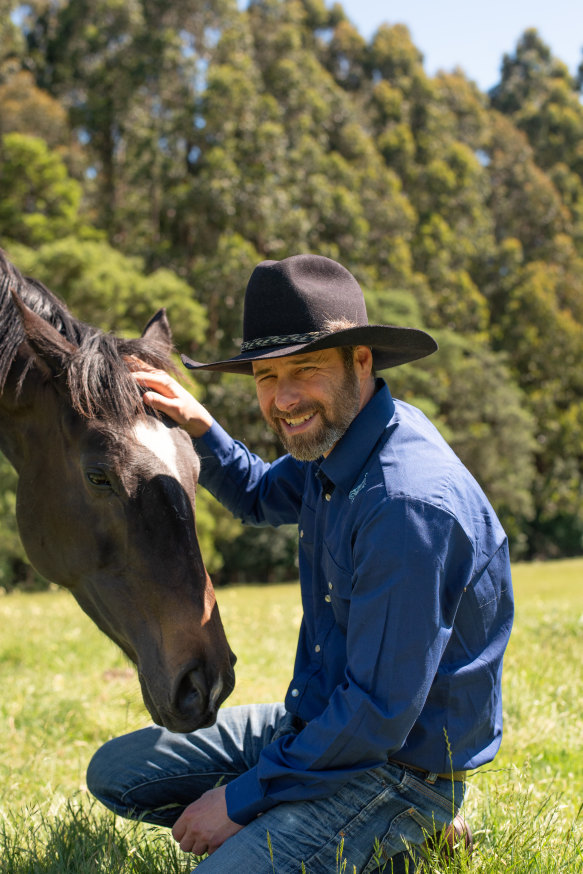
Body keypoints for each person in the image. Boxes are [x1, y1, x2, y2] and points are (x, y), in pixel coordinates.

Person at [87, 254, 514, 873]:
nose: (282, 400)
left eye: (305, 370)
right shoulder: (338, 444)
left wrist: (238, 800)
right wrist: (202, 424)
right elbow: (261, 495)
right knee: (121, 773)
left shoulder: (404, 504)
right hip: (318, 724)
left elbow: (376, 716)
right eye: (265, 376)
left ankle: (416, 824)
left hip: (398, 767)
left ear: (360, 361)